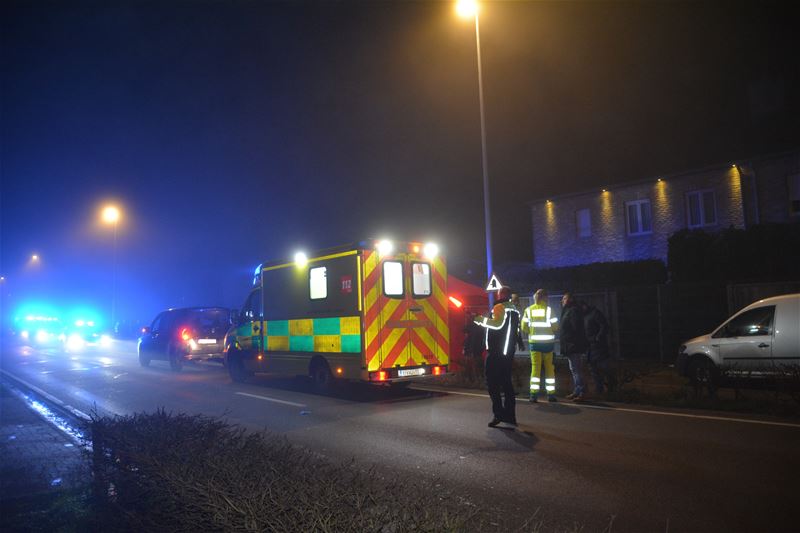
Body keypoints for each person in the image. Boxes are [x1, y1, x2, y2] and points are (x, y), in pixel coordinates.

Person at [474, 286, 521, 428]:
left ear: (501, 294)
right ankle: (510, 416)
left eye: (498, 293)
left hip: (496, 352)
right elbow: (515, 330)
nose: (497, 295)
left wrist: (480, 320)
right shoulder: (514, 309)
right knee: (506, 383)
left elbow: (497, 324)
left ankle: (498, 414)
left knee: (492, 383)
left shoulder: (500, 307)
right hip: (508, 352)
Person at [521, 289, 558, 403]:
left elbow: (523, 327)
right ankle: (551, 395)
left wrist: (532, 331)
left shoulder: (528, 310)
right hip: (548, 344)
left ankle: (533, 395)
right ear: (545, 298)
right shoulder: (549, 310)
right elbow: (555, 327)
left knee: (535, 368)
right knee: (549, 368)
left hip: (534, 344)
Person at [582, 301, 617, 396]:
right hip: (590, 347)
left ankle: (612, 387)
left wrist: (598, 337)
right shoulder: (585, 316)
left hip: (598, 346)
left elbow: (604, 326)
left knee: (604, 367)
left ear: (585, 306)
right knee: (593, 369)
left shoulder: (594, 313)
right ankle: (599, 389)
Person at [560, 292, 588, 402]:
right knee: (574, 369)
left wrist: (572, 342)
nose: (562, 300)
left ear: (570, 299)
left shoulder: (573, 311)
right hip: (570, 345)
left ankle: (582, 392)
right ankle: (577, 391)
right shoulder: (568, 310)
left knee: (576, 370)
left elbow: (576, 329)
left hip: (573, 345)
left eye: (564, 298)